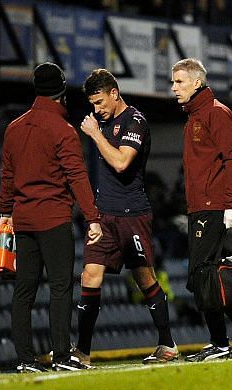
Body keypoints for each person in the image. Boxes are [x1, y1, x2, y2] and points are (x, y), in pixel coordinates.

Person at [0, 62, 103, 373]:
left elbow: (7, 176)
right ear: (61, 92)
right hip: (54, 219)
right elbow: (77, 177)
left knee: (23, 291)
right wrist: (92, 217)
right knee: (60, 288)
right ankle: (60, 356)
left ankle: (25, 360)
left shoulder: (14, 128)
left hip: (23, 219)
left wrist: (5, 211)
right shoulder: (63, 130)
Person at [73, 69, 177, 366]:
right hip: (104, 215)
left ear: (114, 93)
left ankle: (167, 344)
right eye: (92, 104)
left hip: (133, 214)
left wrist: (93, 134)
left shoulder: (135, 121)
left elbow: (121, 163)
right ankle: (83, 352)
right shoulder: (103, 121)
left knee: (144, 278)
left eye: (100, 101)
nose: (97, 109)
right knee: (90, 276)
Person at [171, 58, 232, 361]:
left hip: (215, 208)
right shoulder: (195, 116)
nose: (174, 88)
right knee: (205, 276)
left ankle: (227, 339)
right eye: (173, 82)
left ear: (197, 82)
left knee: (201, 275)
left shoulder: (217, 114)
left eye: (179, 81)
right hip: (201, 208)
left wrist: (231, 204)